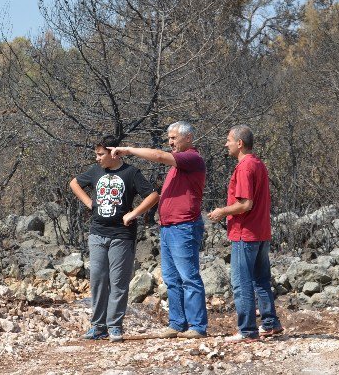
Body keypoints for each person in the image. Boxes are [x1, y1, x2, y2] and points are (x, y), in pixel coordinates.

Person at [108, 121, 208, 339]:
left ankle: (197, 326)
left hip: (184, 227)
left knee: (188, 277)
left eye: (174, 138)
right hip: (169, 227)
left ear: (188, 138)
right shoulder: (177, 167)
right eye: (169, 138)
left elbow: (159, 155)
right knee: (172, 279)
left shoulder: (192, 158)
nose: (170, 142)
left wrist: (128, 150)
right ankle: (177, 323)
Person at [70, 135, 159, 342]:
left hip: (122, 235)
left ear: (113, 152)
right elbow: (74, 183)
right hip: (97, 233)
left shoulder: (131, 173)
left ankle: (115, 326)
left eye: (101, 154)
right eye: (96, 154)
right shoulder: (95, 171)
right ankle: (98, 326)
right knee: (98, 280)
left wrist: (133, 213)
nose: (97, 158)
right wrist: (90, 204)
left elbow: (153, 195)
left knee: (118, 282)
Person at [207, 124, 283, 342]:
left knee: (241, 283)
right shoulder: (259, 164)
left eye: (229, 140)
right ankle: (270, 324)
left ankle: (247, 330)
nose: (226, 144)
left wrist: (222, 211)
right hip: (261, 232)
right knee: (261, 280)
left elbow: (245, 204)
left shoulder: (244, 167)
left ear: (239, 143)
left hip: (245, 233)